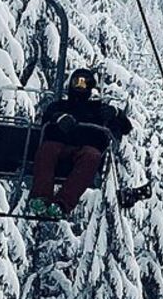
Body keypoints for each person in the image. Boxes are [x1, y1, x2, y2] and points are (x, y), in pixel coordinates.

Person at [26, 67, 133, 218]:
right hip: (59, 146)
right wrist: (59, 117)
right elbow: (47, 116)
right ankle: (41, 198)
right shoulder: (59, 106)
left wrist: (116, 113)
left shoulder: (97, 109)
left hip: (84, 151)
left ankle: (62, 204)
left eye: (84, 84)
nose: (80, 87)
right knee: (48, 149)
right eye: (77, 83)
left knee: (92, 155)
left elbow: (126, 128)